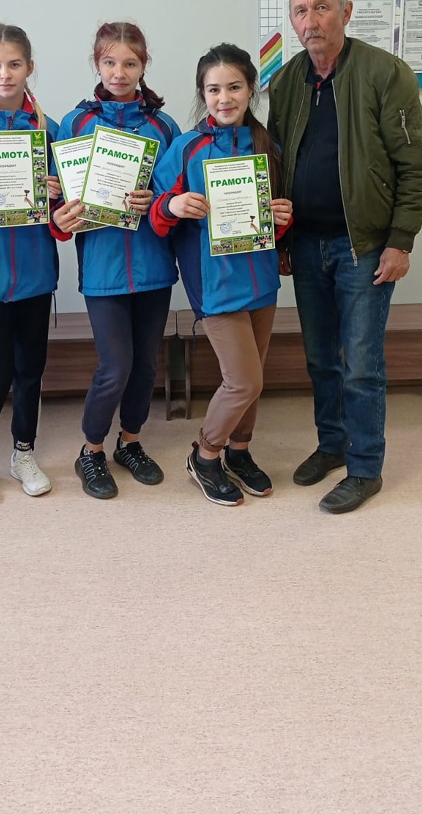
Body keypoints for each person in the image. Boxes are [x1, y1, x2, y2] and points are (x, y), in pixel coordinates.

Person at [268, 0, 422, 514]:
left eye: (321, 7)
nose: (310, 20)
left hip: (363, 246)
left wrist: (401, 241)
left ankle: (365, 468)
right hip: (306, 245)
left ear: (346, 11)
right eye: (300, 11)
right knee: (321, 359)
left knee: (361, 363)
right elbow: (278, 166)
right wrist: (282, 239)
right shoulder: (287, 81)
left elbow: (416, 166)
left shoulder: (386, 73)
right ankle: (332, 444)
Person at [150, 43, 292, 507]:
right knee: (243, 381)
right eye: (213, 89)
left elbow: (273, 222)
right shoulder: (186, 148)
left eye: (234, 87)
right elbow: (155, 215)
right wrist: (173, 205)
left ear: (251, 89)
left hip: (261, 281)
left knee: (255, 379)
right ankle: (205, 454)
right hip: (214, 287)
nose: (224, 98)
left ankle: (239, 451)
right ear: (202, 93)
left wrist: (280, 218)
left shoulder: (266, 146)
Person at [51, 22, 181, 500]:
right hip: (103, 268)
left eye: (130, 63)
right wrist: (60, 215)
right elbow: (57, 202)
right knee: (116, 366)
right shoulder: (75, 124)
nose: (119, 72)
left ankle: (130, 442)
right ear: (97, 63)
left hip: (153, 265)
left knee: (145, 365)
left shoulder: (164, 127)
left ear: (144, 66)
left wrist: (158, 201)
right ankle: (90, 450)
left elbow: (176, 195)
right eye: (109, 62)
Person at [0, 24, 61, 506]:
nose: (5, 73)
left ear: (30, 67)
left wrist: (57, 193)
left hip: (36, 278)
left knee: (30, 372)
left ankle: (24, 454)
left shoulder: (48, 129)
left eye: (15, 64)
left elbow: (65, 214)